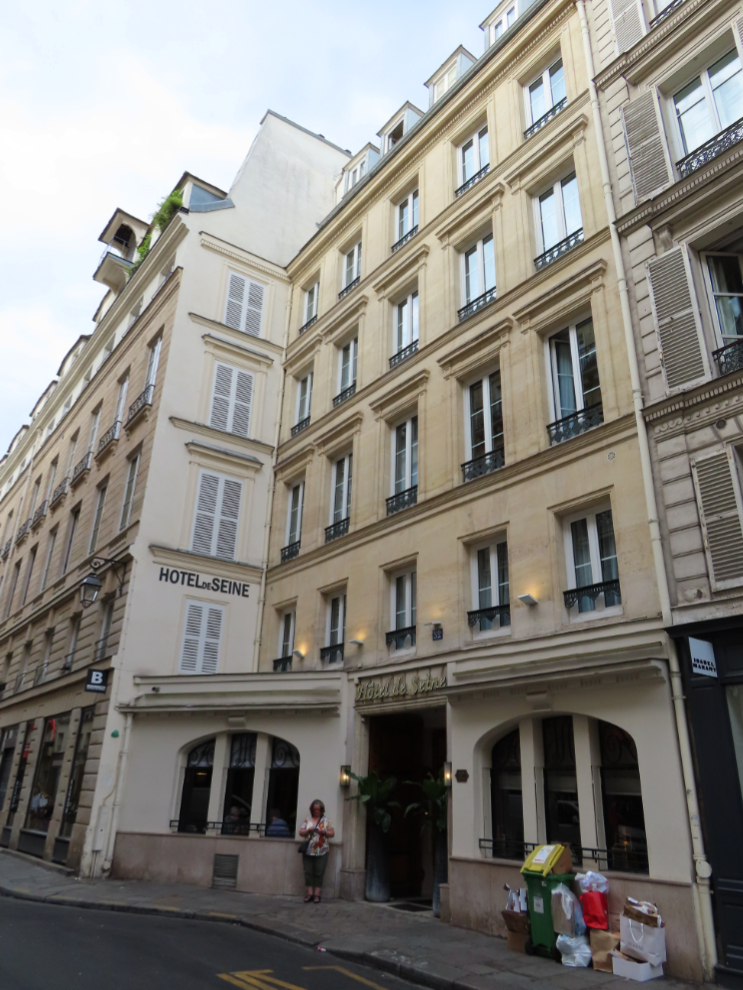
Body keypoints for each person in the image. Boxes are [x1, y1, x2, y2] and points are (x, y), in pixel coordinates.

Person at [298, 799, 334, 903]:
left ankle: (317, 895)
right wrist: (308, 830)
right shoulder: (308, 820)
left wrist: (324, 832)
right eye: (314, 809)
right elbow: (301, 832)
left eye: (318, 809)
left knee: (319, 872)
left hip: (322, 850)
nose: (316, 811)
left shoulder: (326, 820)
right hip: (308, 850)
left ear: (321, 810)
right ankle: (309, 893)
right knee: (308, 872)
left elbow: (332, 833)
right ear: (312, 810)